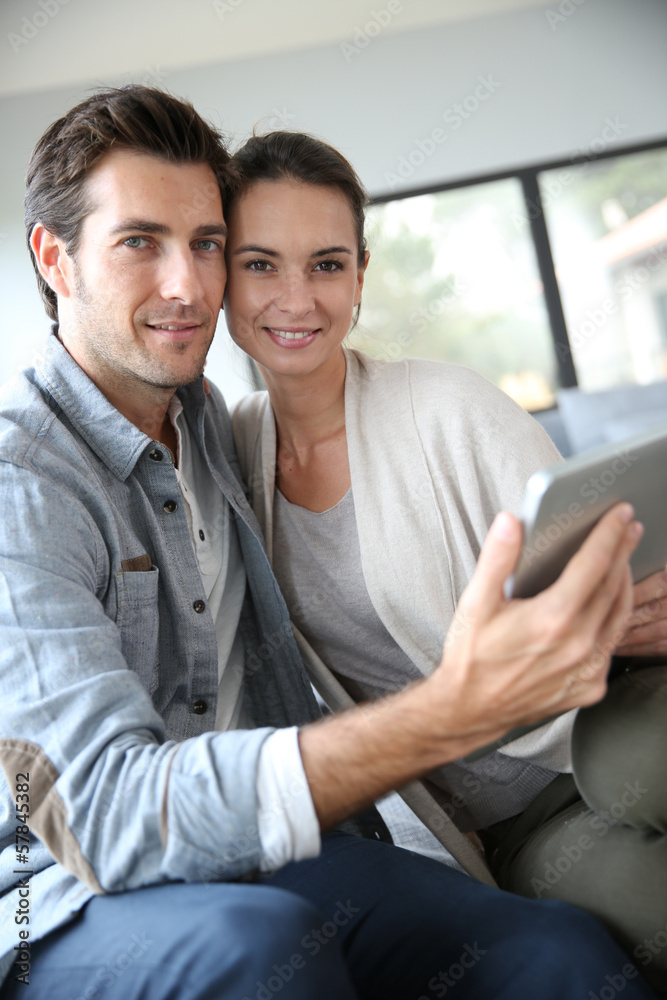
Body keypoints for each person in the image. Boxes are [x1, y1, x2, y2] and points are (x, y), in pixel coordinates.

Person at [0, 85, 657, 1000]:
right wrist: (448, 712)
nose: (187, 286)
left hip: (263, 853)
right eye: (139, 242)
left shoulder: (207, 421)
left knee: (559, 951)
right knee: (254, 947)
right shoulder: (21, 482)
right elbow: (95, 816)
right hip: (65, 890)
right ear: (55, 258)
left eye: (206, 244)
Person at [225, 130, 667, 992]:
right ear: (222, 276)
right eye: (260, 264)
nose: (296, 298)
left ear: (359, 275)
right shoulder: (226, 456)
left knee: (639, 765)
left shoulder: (450, 407)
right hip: (514, 828)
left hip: (603, 718)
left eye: (326, 264)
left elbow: (606, 559)